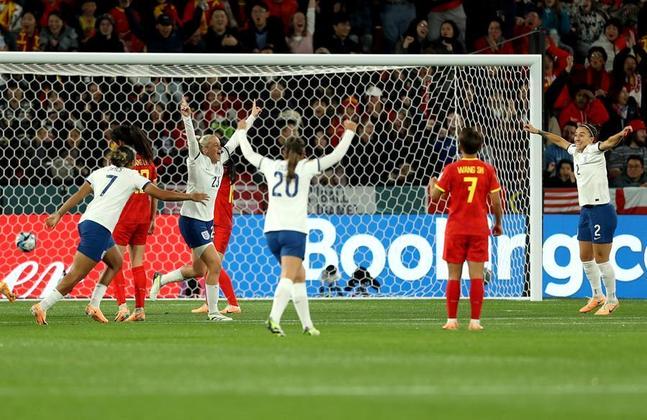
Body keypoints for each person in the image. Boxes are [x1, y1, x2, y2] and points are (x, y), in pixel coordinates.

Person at [30, 146, 207, 325]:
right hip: (98, 228)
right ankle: (43, 306)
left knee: (115, 262)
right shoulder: (132, 176)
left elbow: (79, 195)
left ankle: (94, 305)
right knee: (76, 274)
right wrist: (190, 196)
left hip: (88, 222)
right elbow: (161, 194)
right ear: (132, 163)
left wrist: (59, 214)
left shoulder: (99, 172)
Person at [238, 104, 357, 336]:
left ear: (283, 151)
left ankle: (307, 325)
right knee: (288, 277)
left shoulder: (271, 166)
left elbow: (249, 155)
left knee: (299, 276)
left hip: (271, 231)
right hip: (294, 231)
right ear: (304, 153)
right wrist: (349, 132)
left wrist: (242, 131)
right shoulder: (306, 167)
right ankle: (273, 318)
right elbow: (335, 156)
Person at [149, 98, 258, 321]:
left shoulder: (220, 161)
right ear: (205, 148)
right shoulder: (196, 160)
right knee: (215, 264)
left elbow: (236, 139)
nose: (221, 148)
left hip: (205, 222)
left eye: (220, 146)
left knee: (199, 270)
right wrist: (186, 117)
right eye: (216, 146)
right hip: (191, 221)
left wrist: (252, 116)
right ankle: (214, 312)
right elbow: (191, 141)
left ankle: (161, 280)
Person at [524, 122, 633, 315]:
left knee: (601, 258)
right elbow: (558, 140)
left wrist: (621, 133)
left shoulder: (595, 150)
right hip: (586, 211)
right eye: (576, 134)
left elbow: (609, 142)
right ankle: (597, 295)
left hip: (602, 210)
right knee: (585, 256)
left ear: (591, 139)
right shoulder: (575, 151)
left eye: (582, 134)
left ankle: (612, 299)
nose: (577, 137)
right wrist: (538, 132)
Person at [429, 127, 503, 331]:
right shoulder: (487, 169)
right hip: (479, 228)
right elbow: (496, 203)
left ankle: (451, 320)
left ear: (460, 146)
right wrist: (498, 223)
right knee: (477, 276)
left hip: (456, 228)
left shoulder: (451, 169)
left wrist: (432, 184)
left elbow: (435, 198)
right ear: (480, 147)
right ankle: (475, 322)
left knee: (454, 276)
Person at [107, 125, 157, 322]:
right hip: (143, 217)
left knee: (115, 262)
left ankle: (122, 306)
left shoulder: (122, 161)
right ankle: (140, 310)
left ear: (120, 142)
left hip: (124, 217)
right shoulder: (149, 162)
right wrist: (153, 218)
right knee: (138, 263)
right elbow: (154, 192)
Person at [190, 147, 243, 315]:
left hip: (220, 224)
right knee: (209, 265)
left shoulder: (219, 175)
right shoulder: (228, 176)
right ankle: (208, 303)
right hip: (219, 222)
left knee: (214, 265)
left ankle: (233, 304)